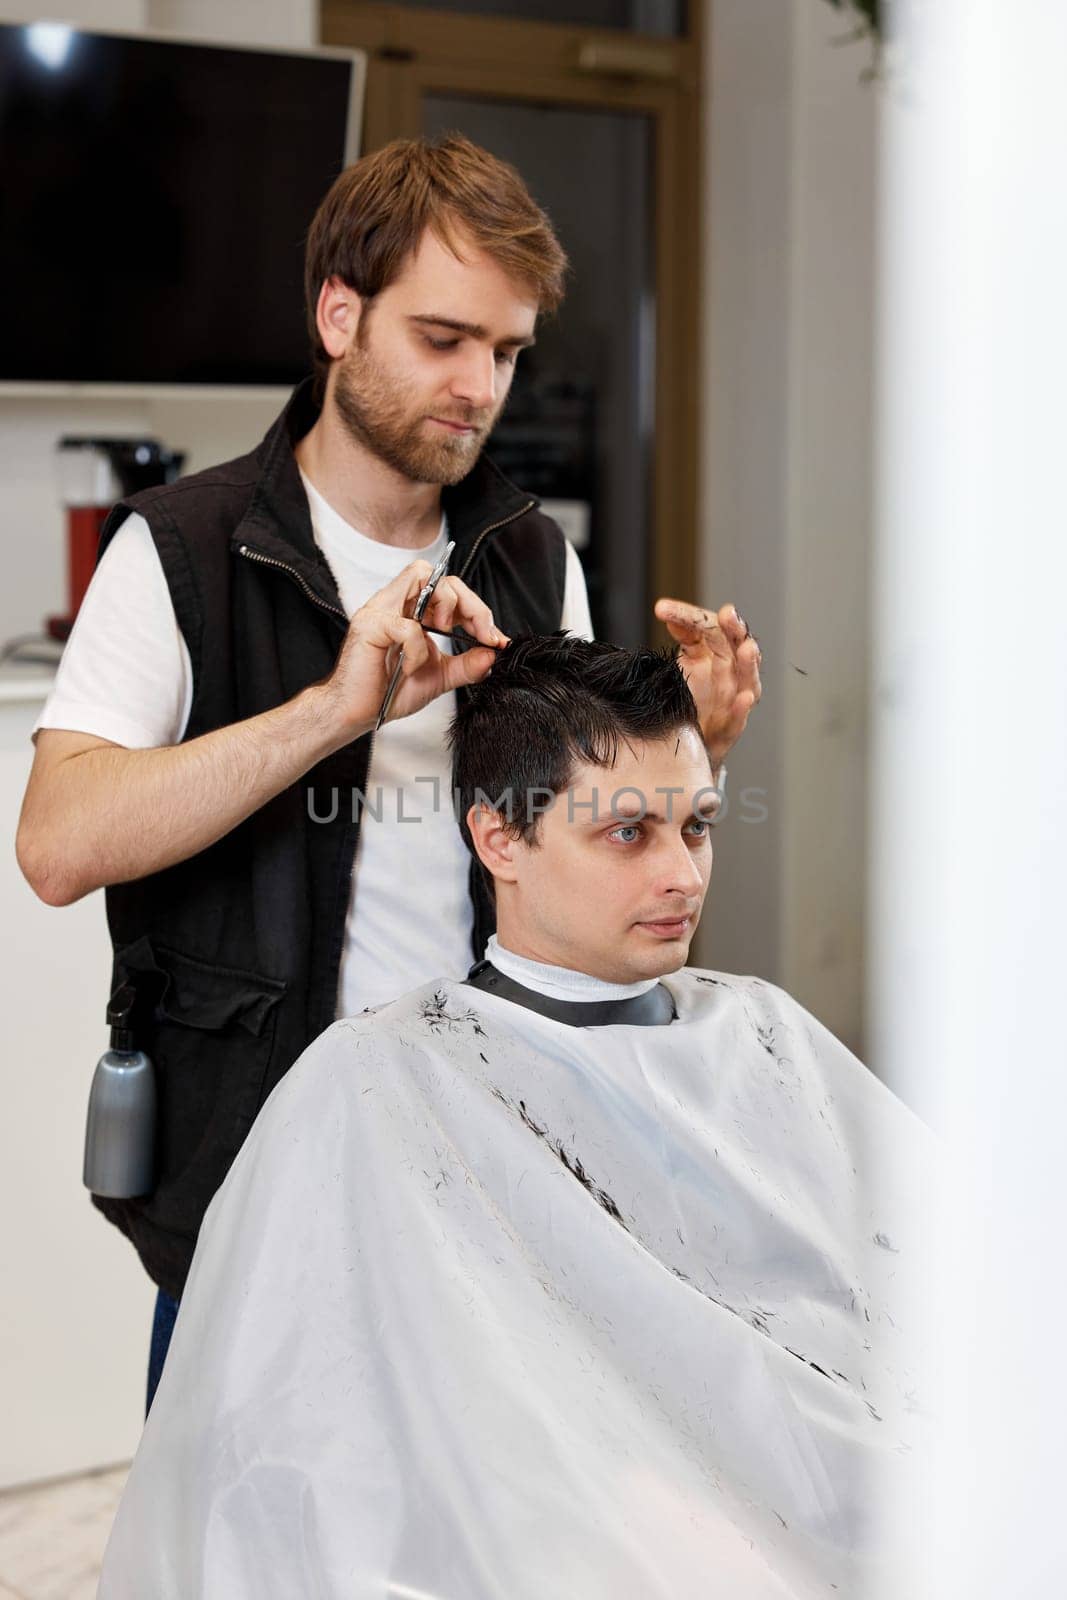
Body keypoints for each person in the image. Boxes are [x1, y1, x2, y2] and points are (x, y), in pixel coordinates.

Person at [15, 135, 761, 1404]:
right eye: (443, 338)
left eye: (508, 351)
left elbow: (563, 855)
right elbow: (57, 843)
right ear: (338, 314)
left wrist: (680, 765)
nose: (481, 385)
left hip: (481, 1166)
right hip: (247, 1177)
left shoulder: (533, 559)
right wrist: (331, 713)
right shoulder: (182, 551)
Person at [97, 637, 926, 1600]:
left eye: (696, 827)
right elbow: (316, 1455)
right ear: (499, 839)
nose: (682, 877)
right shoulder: (383, 1085)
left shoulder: (762, 1032)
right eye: (627, 833)